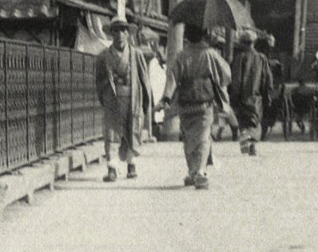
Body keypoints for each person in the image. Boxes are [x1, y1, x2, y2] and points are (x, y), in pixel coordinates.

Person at [161, 23, 234, 189]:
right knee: (203, 137)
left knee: (188, 137)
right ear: (205, 36)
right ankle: (200, 171)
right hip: (204, 101)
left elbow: (172, 78)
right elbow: (226, 74)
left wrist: (166, 97)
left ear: (187, 36)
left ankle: (192, 171)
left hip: (186, 102)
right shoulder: (210, 54)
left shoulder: (181, 56)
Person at [93, 19, 153, 182]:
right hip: (112, 98)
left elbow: (144, 79)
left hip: (132, 97)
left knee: (130, 130)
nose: (119, 34)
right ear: (111, 34)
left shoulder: (136, 54)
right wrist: (104, 98)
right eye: (115, 31)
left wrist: (146, 103)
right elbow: (99, 81)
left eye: (122, 30)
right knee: (111, 133)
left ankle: (131, 164)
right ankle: (112, 168)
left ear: (128, 33)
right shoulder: (103, 57)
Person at [228, 29, 273, 156]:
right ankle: (252, 145)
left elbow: (236, 79)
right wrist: (267, 95)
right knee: (254, 122)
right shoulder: (261, 58)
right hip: (257, 97)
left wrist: (233, 96)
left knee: (243, 123)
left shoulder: (239, 58)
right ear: (254, 42)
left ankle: (245, 145)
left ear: (242, 43)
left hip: (242, 96)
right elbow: (267, 79)